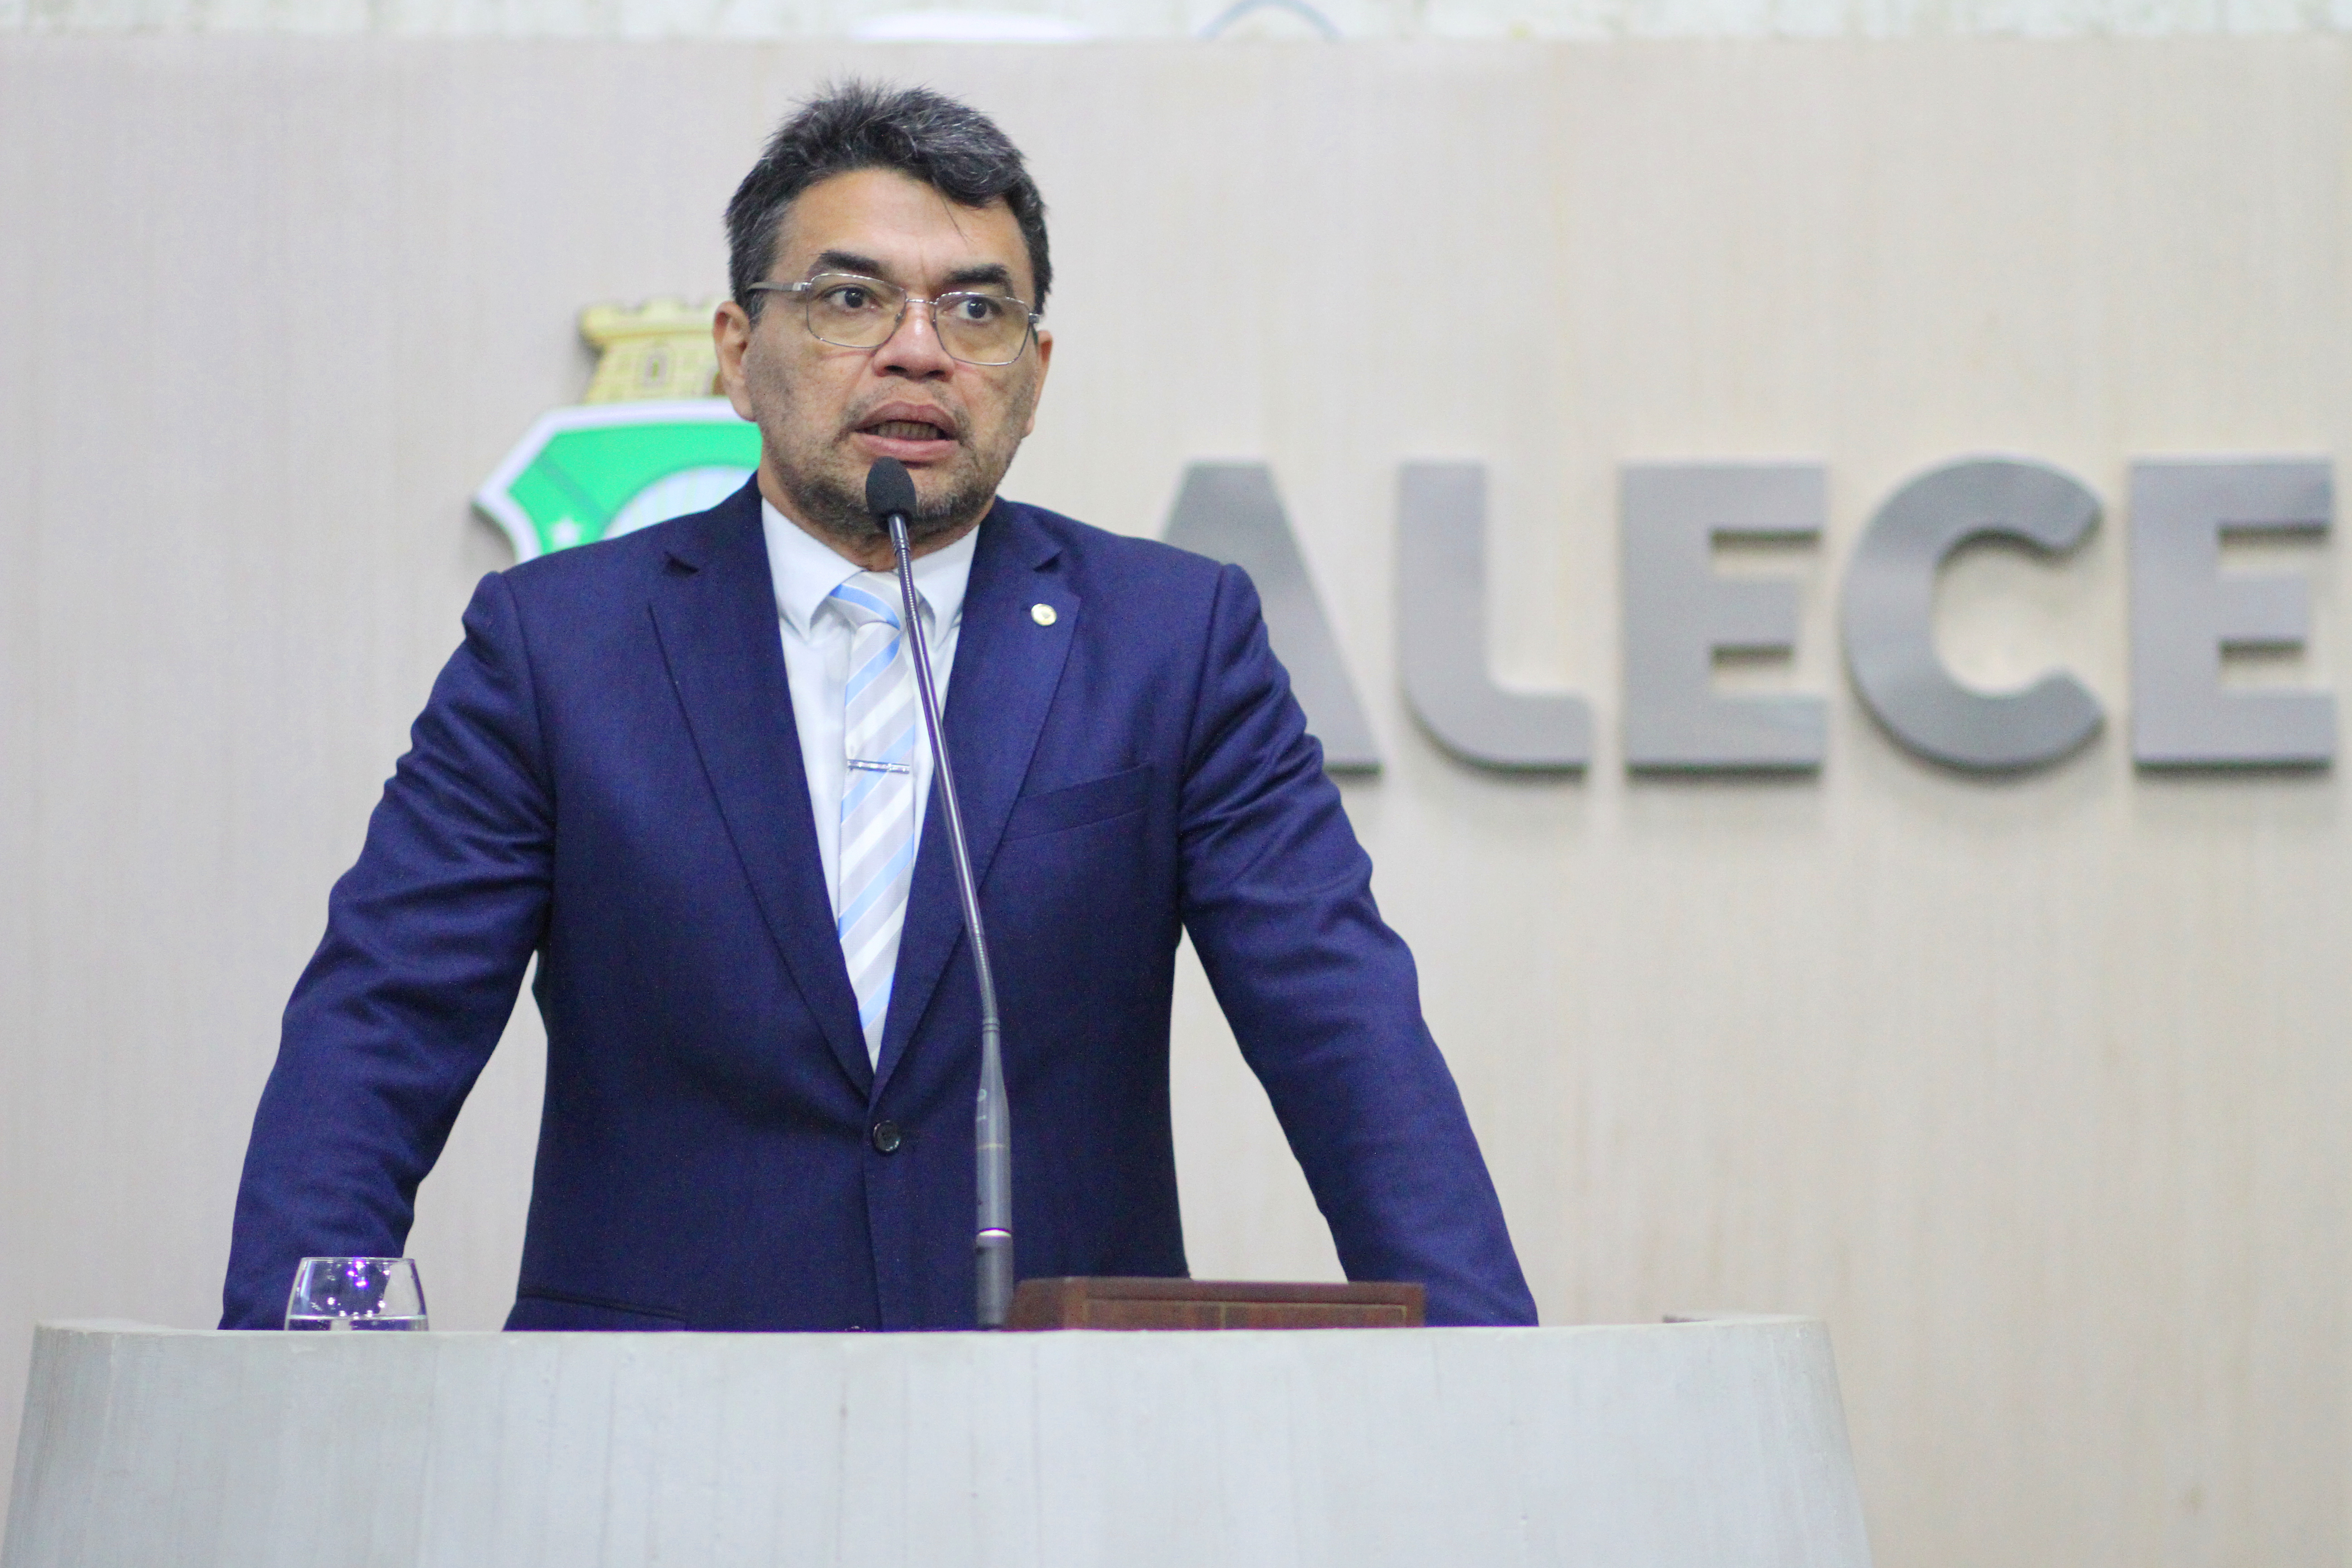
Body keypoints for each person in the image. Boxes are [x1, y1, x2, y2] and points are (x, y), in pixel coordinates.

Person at [221, 82, 1537, 1331]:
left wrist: (1488, 1381)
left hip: (1063, 1422)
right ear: (739, 353)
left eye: (976, 311)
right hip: (647, 1424)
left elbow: (1343, 1028)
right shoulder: (559, 648)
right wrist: (297, 1362)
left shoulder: (1171, 641)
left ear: (1034, 371)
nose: (918, 350)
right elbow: (382, 1027)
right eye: (850, 299)